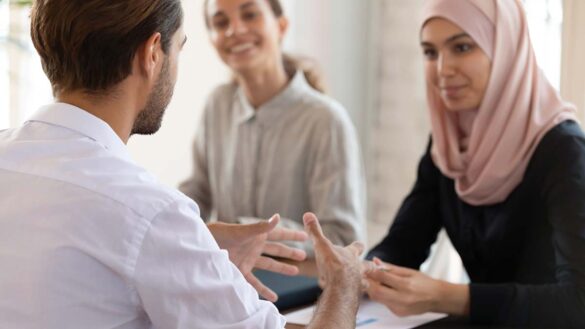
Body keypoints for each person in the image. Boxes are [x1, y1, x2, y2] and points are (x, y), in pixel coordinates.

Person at [0, 0, 364, 328]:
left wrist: (191, 235)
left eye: (250, 14)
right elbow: (160, 214)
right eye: (181, 47)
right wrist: (346, 282)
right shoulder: (151, 211)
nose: (235, 30)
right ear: (153, 53)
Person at [364, 0, 585, 327]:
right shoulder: (448, 143)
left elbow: (577, 304)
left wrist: (447, 296)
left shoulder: (563, 150)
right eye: (430, 52)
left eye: (462, 47)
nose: (442, 69)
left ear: (506, 49)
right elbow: (404, 242)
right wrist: (359, 269)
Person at [179, 0, 366, 251]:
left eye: (250, 15)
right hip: (225, 284)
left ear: (281, 25)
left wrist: (245, 230)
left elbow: (343, 240)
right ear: (212, 38)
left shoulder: (326, 121)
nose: (234, 29)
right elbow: (197, 195)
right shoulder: (217, 104)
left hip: (296, 287)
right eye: (221, 22)